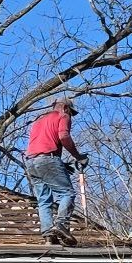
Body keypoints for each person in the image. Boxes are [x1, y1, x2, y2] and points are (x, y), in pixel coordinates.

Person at [24, 96, 87, 245]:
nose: (70, 116)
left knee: (44, 199)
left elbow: (42, 145)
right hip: (47, 159)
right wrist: (78, 157)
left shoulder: (39, 120)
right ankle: (61, 225)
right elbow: (64, 136)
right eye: (71, 112)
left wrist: (60, 163)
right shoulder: (63, 115)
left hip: (31, 162)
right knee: (68, 193)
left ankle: (48, 235)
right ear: (65, 108)